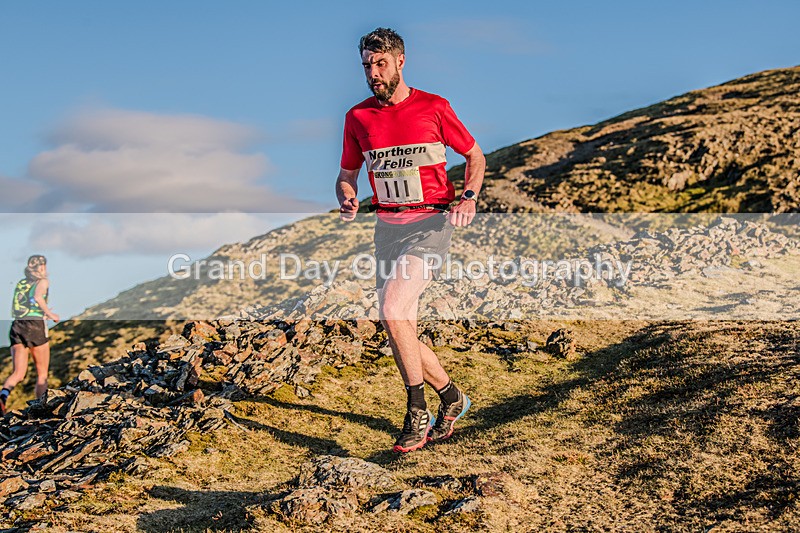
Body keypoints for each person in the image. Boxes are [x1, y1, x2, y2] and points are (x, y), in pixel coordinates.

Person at [336, 28, 486, 453]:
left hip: (431, 225)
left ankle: (416, 409)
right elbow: (346, 176)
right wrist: (347, 196)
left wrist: (469, 198)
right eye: (367, 65)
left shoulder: (434, 107)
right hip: (386, 229)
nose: (373, 73)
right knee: (400, 323)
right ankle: (453, 397)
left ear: (401, 62)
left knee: (391, 308)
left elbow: (475, 156)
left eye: (380, 64)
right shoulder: (357, 118)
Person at [0, 255, 60, 415]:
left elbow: (24, 304)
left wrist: (43, 312)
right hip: (34, 326)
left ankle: (3, 397)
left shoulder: (21, 283)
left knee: (18, 373)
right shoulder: (42, 282)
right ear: (41, 267)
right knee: (42, 374)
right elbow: (37, 297)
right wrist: (50, 314)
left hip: (17, 325)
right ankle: (41, 410)